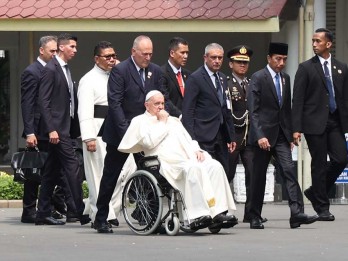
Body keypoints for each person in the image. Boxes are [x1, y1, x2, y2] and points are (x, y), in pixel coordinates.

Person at [118, 90, 238, 230]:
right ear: (147, 105)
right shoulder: (139, 121)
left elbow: (188, 138)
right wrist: (162, 123)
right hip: (164, 162)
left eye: (162, 103)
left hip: (186, 157)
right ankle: (198, 215)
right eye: (157, 104)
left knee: (214, 166)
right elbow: (149, 143)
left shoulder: (173, 120)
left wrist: (196, 150)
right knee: (193, 169)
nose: (161, 107)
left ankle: (218, 212)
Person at [94, 35, 164, 233]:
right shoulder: (120, 70)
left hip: (146, 133)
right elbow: (114, 103)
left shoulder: (155, 71)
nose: (148, 57)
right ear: (134, 52)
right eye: (144, 54)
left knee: (151, 172)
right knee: (111, 175)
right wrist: (128, 132)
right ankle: (100, 218)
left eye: (150, 53)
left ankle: (151, 217)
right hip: (121, 132)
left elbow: (159, 99)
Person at [247, 42, 319, 229]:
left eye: (284, 59)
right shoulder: (258, 77)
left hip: (281, 135)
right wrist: (259, 135)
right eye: (278, 59)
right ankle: (254, 215)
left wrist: (292, 132)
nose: (281, 63)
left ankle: (296, 213)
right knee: (258, 178)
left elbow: (286, 109)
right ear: (269, 58)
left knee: (289, 171)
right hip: (262, 136)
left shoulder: (286, 78)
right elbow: (253, 110)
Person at [292, 28, 348, 221]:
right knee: (318, 164)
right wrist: (296, 128)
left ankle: (315, 190)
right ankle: (322, 207)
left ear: (328, 44)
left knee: (341, 159)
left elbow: (345, 99)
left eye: (318, 41)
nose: (314, 44)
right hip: (313, 123)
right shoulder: (306, 67)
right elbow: (297, 99)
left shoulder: (341, 68)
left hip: (335, 122)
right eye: (313, 41)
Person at [20, 35, 75, 223]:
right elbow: (27, 104)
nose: (54, 54)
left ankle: (51, 208)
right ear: (41, 50)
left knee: (51, 170)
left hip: (52, 128)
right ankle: (29, 211)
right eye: (51, 51)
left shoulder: (57, 70)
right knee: (34, 171)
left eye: (56, 51)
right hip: (38, 130)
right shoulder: (32, 72)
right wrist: (29, 132)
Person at [36, 33, 89, 226]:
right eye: (72, 47)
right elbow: (44, 101)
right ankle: (78, 212)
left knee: (50, 172)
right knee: (73, 168)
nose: (75, 50)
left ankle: (42, 213)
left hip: (66, 128)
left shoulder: (65, 69)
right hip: (57, 130)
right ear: (62, 48)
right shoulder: (51, 69)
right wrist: (51, 129)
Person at [77, 41, 121, 227]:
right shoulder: (88, 79)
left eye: (114, 56)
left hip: (114, 127)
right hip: (96, 127)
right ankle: (104, 214)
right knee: (97, 174)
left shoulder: (117, 75)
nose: (112, 59)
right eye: (107, 56)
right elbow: (84, 110)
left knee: (122, 173)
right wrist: (88, 137)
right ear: (97, 59)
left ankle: (96, 207)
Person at [225, 45, 267, 224]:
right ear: (231, 64)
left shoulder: (251, 83)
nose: (242, 65)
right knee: (227, 174)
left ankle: (251, 213)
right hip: (233, 135)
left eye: (245, 63)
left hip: (249, 136)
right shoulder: (227, 83)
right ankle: (221, 211)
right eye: (238, 62)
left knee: (253, 174)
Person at [182, 43, 236, 175]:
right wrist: (192, 140)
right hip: (203, 135)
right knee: (207, 173)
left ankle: (219, 197)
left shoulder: (223, 78)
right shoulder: (195, 78)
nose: (217, 61)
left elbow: (225, 108)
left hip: (221, 134)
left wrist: (231, 136)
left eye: (220, 58)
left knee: (224, 172)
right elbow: (188, 111)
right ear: (205, 58)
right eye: (214, 57)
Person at [161, 37, 190, 118]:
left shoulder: (188, 74)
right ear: (172, 53)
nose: (186, 56)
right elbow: (165, 99)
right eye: (182, 52)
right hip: (171, 120)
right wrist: (180, 115)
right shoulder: (162, 73)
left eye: (187, 53)